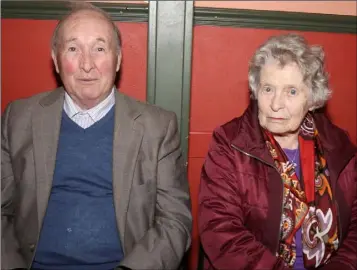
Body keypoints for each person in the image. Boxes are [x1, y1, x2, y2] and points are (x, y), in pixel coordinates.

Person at [1, 3, 192, 270]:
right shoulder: (18, 119)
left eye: (99, 49)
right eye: (73, 49)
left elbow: (175, 222)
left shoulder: (157, 128)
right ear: (56, 60)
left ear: (118, 59)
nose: (87, 64)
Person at [198, 33, 357, 270]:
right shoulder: (229, 143)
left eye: (291, 92)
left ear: (312, 98)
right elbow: (221, 231)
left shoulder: (338, 144)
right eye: (268, 89)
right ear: (256, 90)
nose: (275, 104)